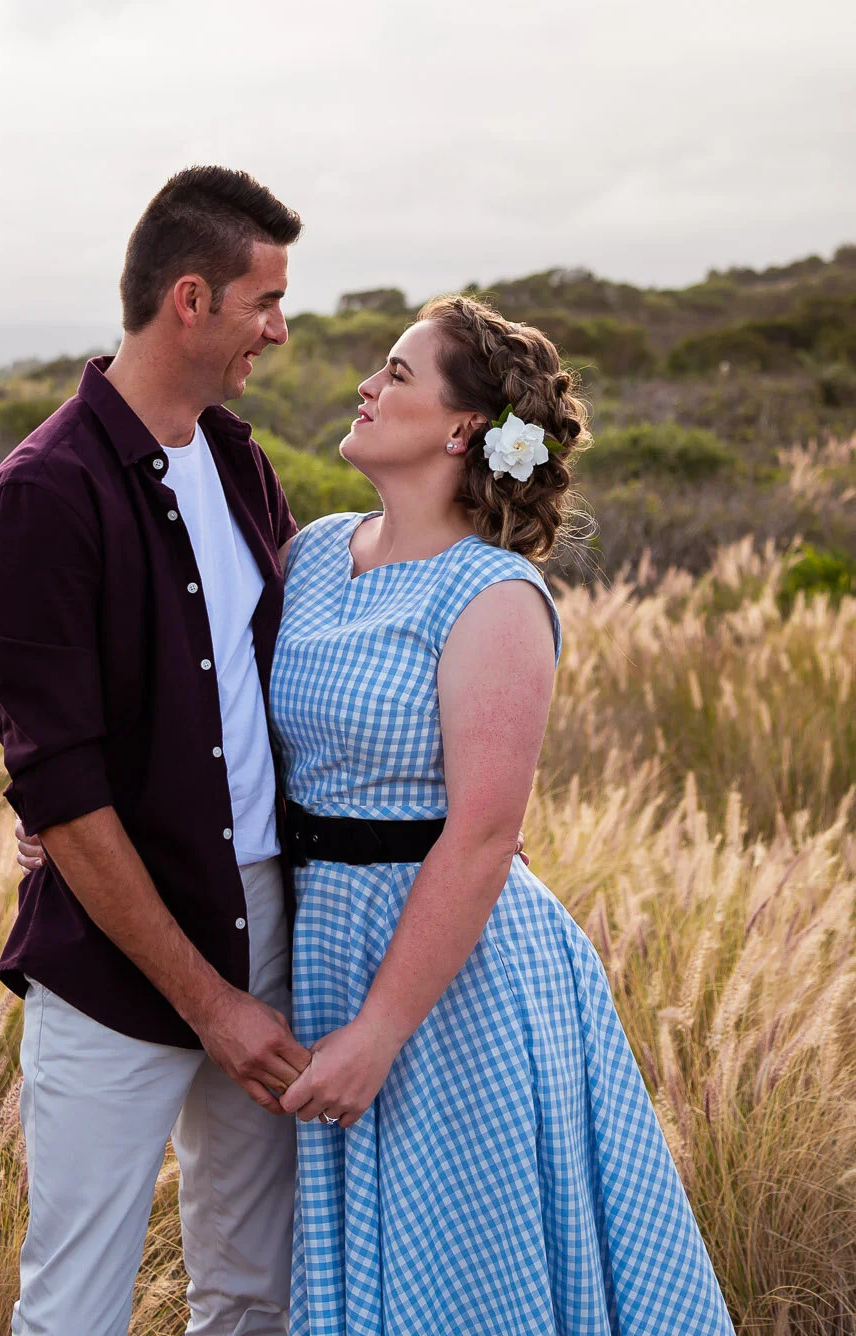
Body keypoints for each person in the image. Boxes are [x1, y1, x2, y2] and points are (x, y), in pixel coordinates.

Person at [271, 294, 735, 1334]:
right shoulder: (309, 556)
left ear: (460, 426)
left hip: (453, 975)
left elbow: (484, 833)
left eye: (396, 370)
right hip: (323, 944)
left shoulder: (493, 598)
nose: (367, 383)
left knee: (460, 1277)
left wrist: (381, 1030)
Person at [0, 166, 309, 1336]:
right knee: (78, 1304)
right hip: (117, 959)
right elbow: (65, 798)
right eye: (266, 300)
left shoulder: (239, 460)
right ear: (192, 299)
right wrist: (209, 1003)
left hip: (268, 919)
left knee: (254, 1289)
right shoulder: (40, 498)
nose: (280, 327)